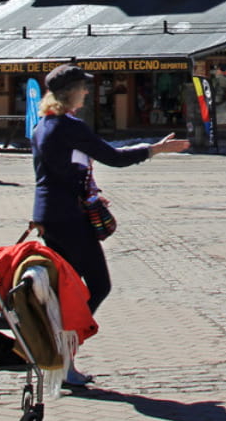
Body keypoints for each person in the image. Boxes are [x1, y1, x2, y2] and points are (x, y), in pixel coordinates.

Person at [31, 63, 190, 386]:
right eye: (83, 87)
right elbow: (113, 157)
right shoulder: (68, 126)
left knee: (68, 287)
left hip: (51, 216)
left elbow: (53, 174)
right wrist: (155, 149)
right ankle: (62, 352)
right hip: (69, 218)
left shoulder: (43, 125)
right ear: (70, 92)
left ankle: (62, 354)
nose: (87, 92)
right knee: (97, 285)